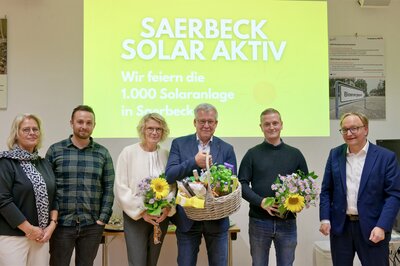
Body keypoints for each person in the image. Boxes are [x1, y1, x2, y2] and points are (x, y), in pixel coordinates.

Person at [319, 112, 400, 266]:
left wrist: (382, 226)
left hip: (373, 228)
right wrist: (325, 218)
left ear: (366, 129)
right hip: (341, 229)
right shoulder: (335, 154)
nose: (349, 133)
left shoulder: (385, 157)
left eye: (354, 128)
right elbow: (326, 190)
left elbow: (394, 195)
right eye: (344, 129)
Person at [165, 103, 237, 266]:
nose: (206, 125)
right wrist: (194, 162)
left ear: (216, 123)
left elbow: (232, 183)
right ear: (194, 122)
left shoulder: (226, 149)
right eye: (202, 121)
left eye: (210, 121)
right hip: (187, 219)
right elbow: (169, 175)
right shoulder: (179, 144)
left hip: (217, 220)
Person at [46, 105, 115, 266]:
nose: (84, 126)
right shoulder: (55, 151)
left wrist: (102, 220)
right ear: (71, 123)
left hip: (91, 225)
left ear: (94, 125)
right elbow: (48, 189)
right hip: (62, 224)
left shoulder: (102, 153)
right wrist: (52, 220)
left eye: (89, 123)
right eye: (80, 122)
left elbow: (108, 188)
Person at [238, 108, 308, 266]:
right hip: (259, 221)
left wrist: (299, 202)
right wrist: (261, 201)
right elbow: (241, 184)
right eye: (267, 124)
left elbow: (305, 184)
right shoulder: (252, 154)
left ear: (281, 125)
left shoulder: (295, 154)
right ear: (261, 127)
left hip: (288, 222)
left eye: (275, 123)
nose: (271, 127)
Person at [114, 113, 176, 266]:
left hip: (160, 217)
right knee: (137, 261)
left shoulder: (165, 154)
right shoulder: (128, 153)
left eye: (158, 129)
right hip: (136, 217)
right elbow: (121, 187)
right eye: (150, 128)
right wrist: (142, 211)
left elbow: (172, 186)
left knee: (152, 261)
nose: (154, 132)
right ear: (143, 130)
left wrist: (167, 208)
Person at [0, 114, 58, 266]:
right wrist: (29, 229)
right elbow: (3, 200)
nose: (32, 132)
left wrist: (52, 225)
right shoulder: (6, 162)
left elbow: (54, 197)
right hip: (13, 237)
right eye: (26, 129)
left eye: (35, 129)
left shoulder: (44, 163)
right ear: (16, 134)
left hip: (42, 236)